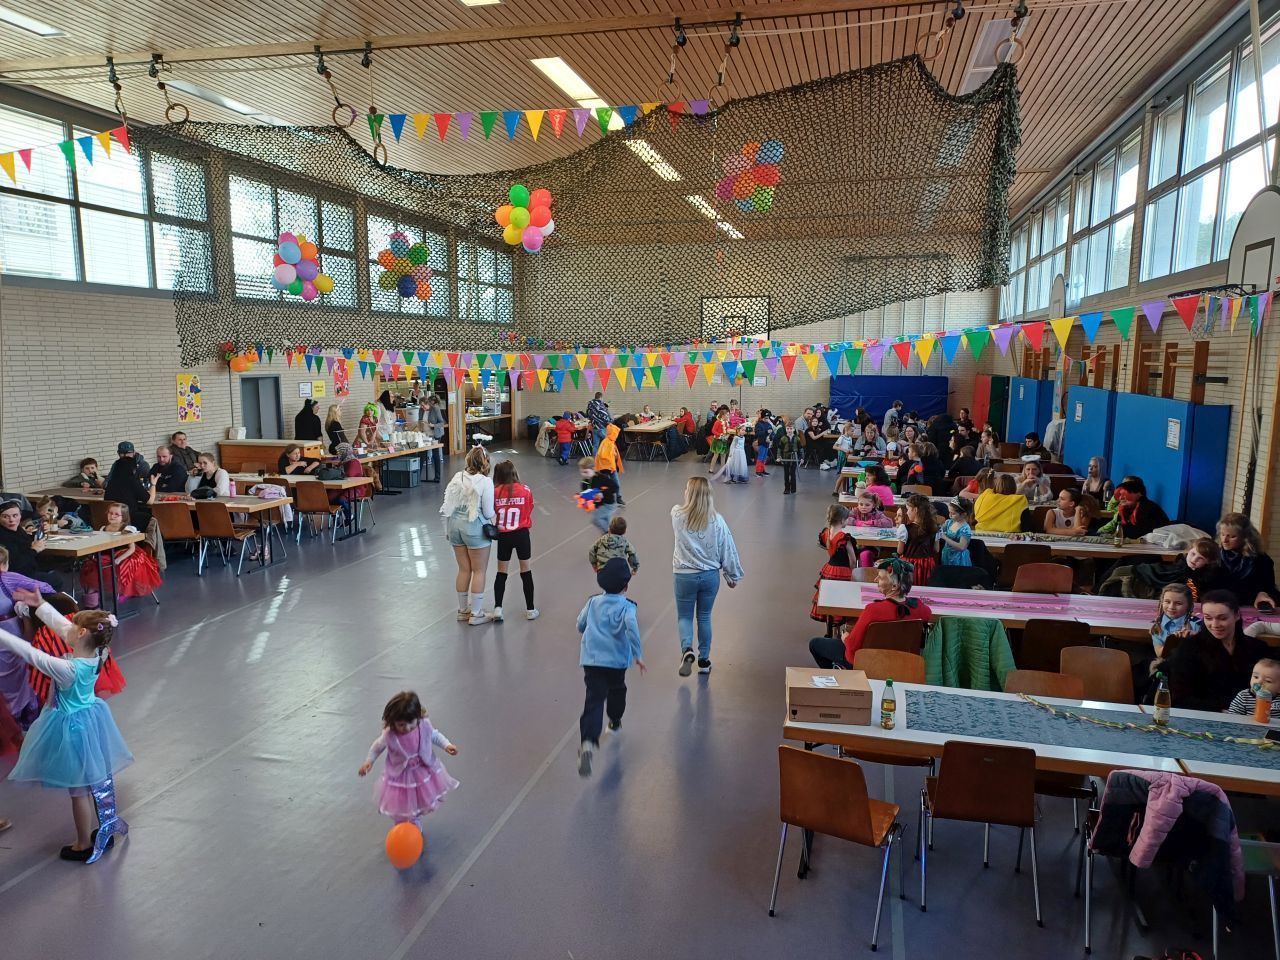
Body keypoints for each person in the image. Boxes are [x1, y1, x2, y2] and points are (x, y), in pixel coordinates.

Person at [1, 590, 132, 862]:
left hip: (72, 729)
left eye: (73, 626)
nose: (67, 627)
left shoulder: (68, 669)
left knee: (79, 791)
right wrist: (41, 605)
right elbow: (63, 627)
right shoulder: (98, 653)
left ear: (81, 633)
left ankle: (82, 843)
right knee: (97, 779)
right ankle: (106, 824)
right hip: (92, 719)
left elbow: (32, 654)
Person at [575, 557, 644, 778]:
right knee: (617, 690)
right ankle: (614, 721)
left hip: (592, 660)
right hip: (616, 662)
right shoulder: (627, 607)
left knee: (593, 700)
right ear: (626, 587)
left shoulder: (592, 602)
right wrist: (638, 655)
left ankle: (587, 743)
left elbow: (580, 624)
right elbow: (632, 629)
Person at [672, 477, 743, 678]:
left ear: (689, 494)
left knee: (685, 616)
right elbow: (727, 546)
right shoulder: (717, 521)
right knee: (704, 616)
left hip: (684, 576)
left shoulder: (677, 514)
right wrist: (731, 574)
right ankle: (704, 660)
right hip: (710, 576)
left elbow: (682, 507)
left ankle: (687, 650)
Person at [357, 690, 458, 829]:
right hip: (400, 775)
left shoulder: (424, 726)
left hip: (421, 770)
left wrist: (447, 745)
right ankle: (401, 823)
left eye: (411, 723)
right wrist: (369, 761)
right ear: (393, 723)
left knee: (417, 798)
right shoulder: (390, 735)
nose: (407, 728)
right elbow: (377, 747)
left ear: (417, 717)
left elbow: (434, 735)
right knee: (401, 801)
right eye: (401, 725)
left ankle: (414, 820)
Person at [808, 557, 932, 668]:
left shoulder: (873, 610)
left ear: (894, 586)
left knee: (815, 644)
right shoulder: (920, 609)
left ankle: (842, 676)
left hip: (868, 662)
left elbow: (852, 645)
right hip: (902, 662)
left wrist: (845, 637)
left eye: (880, 578)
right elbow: (928, 614)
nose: (875, 579)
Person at [1166, 591, 1268, 712]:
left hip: (1251, 715)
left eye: (1222, 618)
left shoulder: (1257, 648)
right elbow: (1179, 699)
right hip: (1206, 715)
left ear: (1237, 615)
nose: (1214, 625)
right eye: (1208, 618)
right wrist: (1221, 710)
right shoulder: (1190, 648)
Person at [441, 446, 496, 626]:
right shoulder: (485, 482)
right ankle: (477, 613)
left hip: (455, 526)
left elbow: (448, 504)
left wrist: (447, 529)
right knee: (479, 570)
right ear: (486, 462)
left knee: (464, 569)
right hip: (474, 527)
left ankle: (463, 610)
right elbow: (488, 512)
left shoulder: (458, 476)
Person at [79, 502, 161, 607]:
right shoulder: (103, 528)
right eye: (110, 513)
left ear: (123, 517)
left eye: (116, 514)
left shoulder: (127, 529)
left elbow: (132, 549)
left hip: (126, 555)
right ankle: (91, 601)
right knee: (92, 567)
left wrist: (119, 559)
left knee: (124, 566)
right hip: (108, 555)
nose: (112, 516)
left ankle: (124, 591)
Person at [490, 459, 537, 622]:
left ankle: (498, 608)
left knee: (501, 572)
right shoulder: (525, 490)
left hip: (504, 536)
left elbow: (491, 511)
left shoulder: (495, 492)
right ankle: (530, 609)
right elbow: (530, 508)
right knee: (526, 570)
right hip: (522, 534)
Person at [1216, 513, 1279, 609]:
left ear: (1245, 538)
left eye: (1232, 536)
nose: (1224, 540)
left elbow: (1268, 587)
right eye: (1222, 534)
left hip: (1251, 606)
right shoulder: (1214, 555)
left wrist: (1263, 594)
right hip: (1220, 605)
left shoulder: (1261, 560)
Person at [0, 501, 66, 591]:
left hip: (28, 568)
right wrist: (34, 550)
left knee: (54, 568)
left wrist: (38, 532)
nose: (11, 520)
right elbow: (16, 565)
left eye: (15, 515)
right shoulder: (3, 536)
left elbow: (23, 543)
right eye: (5, 517)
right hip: (16, 576)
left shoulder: (16, 529)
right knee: (57, 579)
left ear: (20, 515)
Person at [809, 505, 854, 629]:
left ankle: (829, 628)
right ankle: (838, 628)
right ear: (842, 520)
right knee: (841, 598)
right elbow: (852, 559)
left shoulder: (825, 534)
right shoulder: (844, 538)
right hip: (843, 571)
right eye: (847, 519)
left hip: (829, 569)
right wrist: (852, 571)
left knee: (829, 598)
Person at [105, 442, 152, 529]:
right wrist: (154, 485)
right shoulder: (119, 466)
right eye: (122, 453)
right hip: (128, 515)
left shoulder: (142, 465)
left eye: (128, 453)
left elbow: (146, 482)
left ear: (134, 452)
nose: (125, 455)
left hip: (120, 513)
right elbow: (149, 500)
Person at [895, 494, 939, 586]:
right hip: (927, 564)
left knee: (910, 587)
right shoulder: (935, 528)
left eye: (908, 509)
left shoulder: (905, 528)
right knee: (925, 586)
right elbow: (936, 549)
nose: (907, 512)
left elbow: (900, 551)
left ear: (915, 510)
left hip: (910, 564)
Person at [594, 423, 626, 506]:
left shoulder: (611, 442)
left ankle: (618, 498)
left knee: (616, 484)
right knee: (606, 485)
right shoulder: (606, 442)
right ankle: (605, 499)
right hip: (606, 468)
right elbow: (602, 455)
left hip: (611, 467)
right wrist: (612, 455)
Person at [939, 498, 973, 567]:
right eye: (949, 512)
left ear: (963, 514)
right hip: (947, 555)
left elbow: (961, 547)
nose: (950, 515)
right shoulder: (949, 522)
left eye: (953, 513)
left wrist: (945, 538)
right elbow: (940, 530)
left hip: (958, 559)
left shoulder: (965, 529)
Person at [775, 418, 800, 495]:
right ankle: (787, 489)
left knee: (792, 474)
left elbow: (800, 448)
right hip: (785, 458)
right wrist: (779, 457)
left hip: (794, 458)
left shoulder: (797, 438)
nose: (789, 430)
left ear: (794, 429)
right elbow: (779, 448)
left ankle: (793, 489)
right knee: (786, 474)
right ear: (786, 429)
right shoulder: (783, 438)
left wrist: (802, 458)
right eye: (788, 428)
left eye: (791, 428)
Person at [424, 395, 446, 482]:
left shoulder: (436, 409)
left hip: (436, 433)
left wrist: (433, 425)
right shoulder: (425, 410)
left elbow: (441, 422)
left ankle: (437, 476)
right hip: (428, 433)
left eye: (428, 402)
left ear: (432, 402)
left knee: (436, 452)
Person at [708, 407, 730, 475]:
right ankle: (711, 469)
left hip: (724, 441)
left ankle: (722, 469)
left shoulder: (726, 422)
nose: (728, 416)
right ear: (723, 415)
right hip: (718, 441)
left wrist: (728, 433)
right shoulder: (718, 422)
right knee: (716, 455)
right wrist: (720, 434)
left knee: (723, 456)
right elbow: (713, 431)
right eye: (727, 415)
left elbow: (727, 430)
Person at [753, 410, 773, 477]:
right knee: (760, 457)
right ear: (762, 417)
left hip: (767, 443)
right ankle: (758, 471)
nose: (766, 419)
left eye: (767, 418)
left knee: (764, 457)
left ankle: (762, 470)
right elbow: (757, 433)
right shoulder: (758, 424)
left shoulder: (769, 424)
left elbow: (772, 433)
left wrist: (771, 439)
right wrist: (766, 432)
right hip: (761, 443)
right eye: (765, 418)